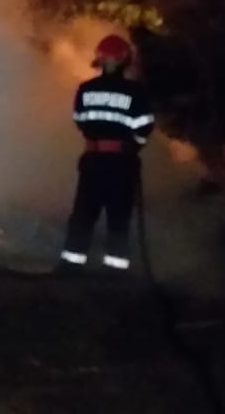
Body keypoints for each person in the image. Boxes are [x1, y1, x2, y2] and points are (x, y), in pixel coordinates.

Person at [58, 33, 154, 272]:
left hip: (93, 160)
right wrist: (134, 146)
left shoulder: (86, 90)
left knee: (84, 212)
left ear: (99, 60)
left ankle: (71, 264)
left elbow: (80, 120)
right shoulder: (135, 92)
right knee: (118, 216)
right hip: (121, 162)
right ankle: (114, 268)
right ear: (125, 61)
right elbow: (144, 127)